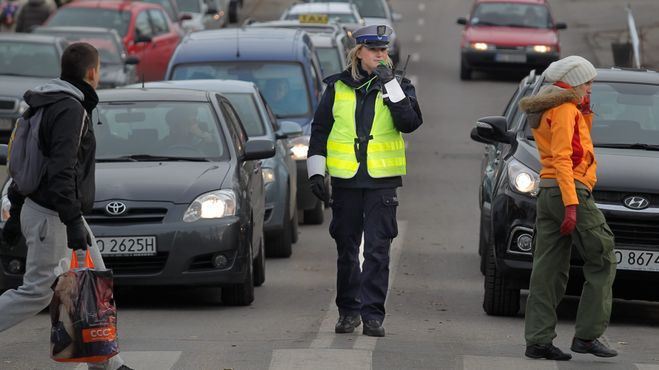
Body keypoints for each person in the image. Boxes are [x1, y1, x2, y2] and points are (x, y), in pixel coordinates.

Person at [0, 42, 133, 370]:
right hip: (54, 214)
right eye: (99, 70)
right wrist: (72, 221)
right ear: (92, 72)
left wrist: (16, 209)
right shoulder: (70, 109)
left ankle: (106, 363)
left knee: (93, 281)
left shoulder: (44, 102)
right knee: (38, 292)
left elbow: (31, 163)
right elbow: (61, 170)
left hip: (52, 210)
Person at [306, 24, 422, 337]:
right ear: (359, 53)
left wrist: (391, 86)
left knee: (377, 251)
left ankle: (373, 315)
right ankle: (348, 312)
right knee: (346, 250)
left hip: (381, 182)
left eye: (384, 50)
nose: (381, 56)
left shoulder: (399, 85)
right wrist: (316, 172)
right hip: (346, 182)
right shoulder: (337, 87)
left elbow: (410, 123)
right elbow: (319, 131)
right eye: (374, 51)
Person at [518, 55, 617, 361]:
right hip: (569, 190)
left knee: (548, 268)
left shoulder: (551, 107)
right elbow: (564, 158)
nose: (590, 88)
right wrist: (572, 205)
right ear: (574, 83)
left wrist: (584, 114)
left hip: (548, 193)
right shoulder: (564, 110)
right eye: (587, 83)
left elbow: (569, 148)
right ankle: (587, 335)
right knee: (603, 257)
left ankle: (538, 340)